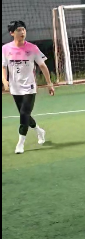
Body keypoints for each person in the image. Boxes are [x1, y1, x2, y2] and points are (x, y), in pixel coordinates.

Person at [2, 20, 55, 154]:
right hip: (15, 87)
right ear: (12, 33)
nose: (22, 32)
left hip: (29, 86)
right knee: (25, 114)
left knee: (24, 114)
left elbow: (42, 66)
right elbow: (3, 66)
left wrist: (49, 83)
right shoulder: (5, 48)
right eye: (19, 30)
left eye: (23, 30)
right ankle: (39, 131)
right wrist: (4, 81)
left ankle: (20, 143)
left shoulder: (32, 48)